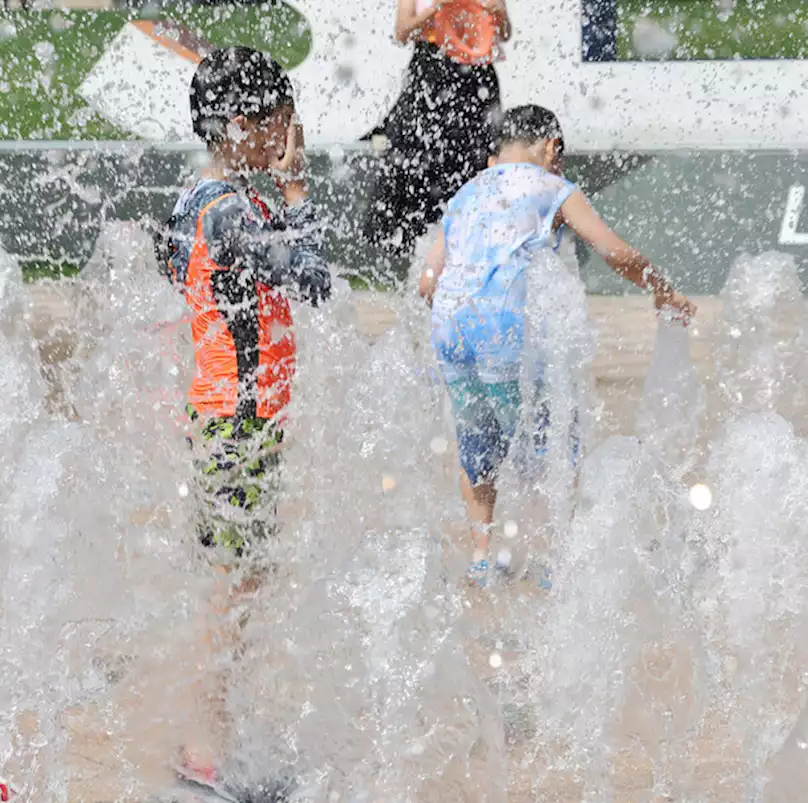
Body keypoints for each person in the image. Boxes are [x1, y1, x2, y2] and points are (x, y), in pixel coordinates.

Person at [419, 105, 696, 587]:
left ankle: (482, 557)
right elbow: (615, 252)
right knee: (551, 442)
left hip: (450, 329)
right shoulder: (553, 187)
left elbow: (428, 282)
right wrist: (661, 288)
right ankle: (551, 561)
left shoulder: (466, 193)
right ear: (551, 148)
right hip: (504, 330)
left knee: (478, 446)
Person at [154, 46, 331, 788]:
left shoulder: (205, 203)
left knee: (237, 581)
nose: (289, 134)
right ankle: (203, 749)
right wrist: (296, 191)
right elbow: (313, 273)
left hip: (226, 418)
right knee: (233, 586)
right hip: (237, 425)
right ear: (237, 124)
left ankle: (213, 735)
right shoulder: (227, 211)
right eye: (279, 120)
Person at [363, 0, 511, 280]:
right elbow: (402, 31)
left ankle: (474, 257)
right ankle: (418, 264)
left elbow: (504, 32)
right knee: (417, 162)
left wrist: (498, 13)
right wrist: (437, 7)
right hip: (432, 72)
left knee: (477, 164)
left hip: (476, 76)